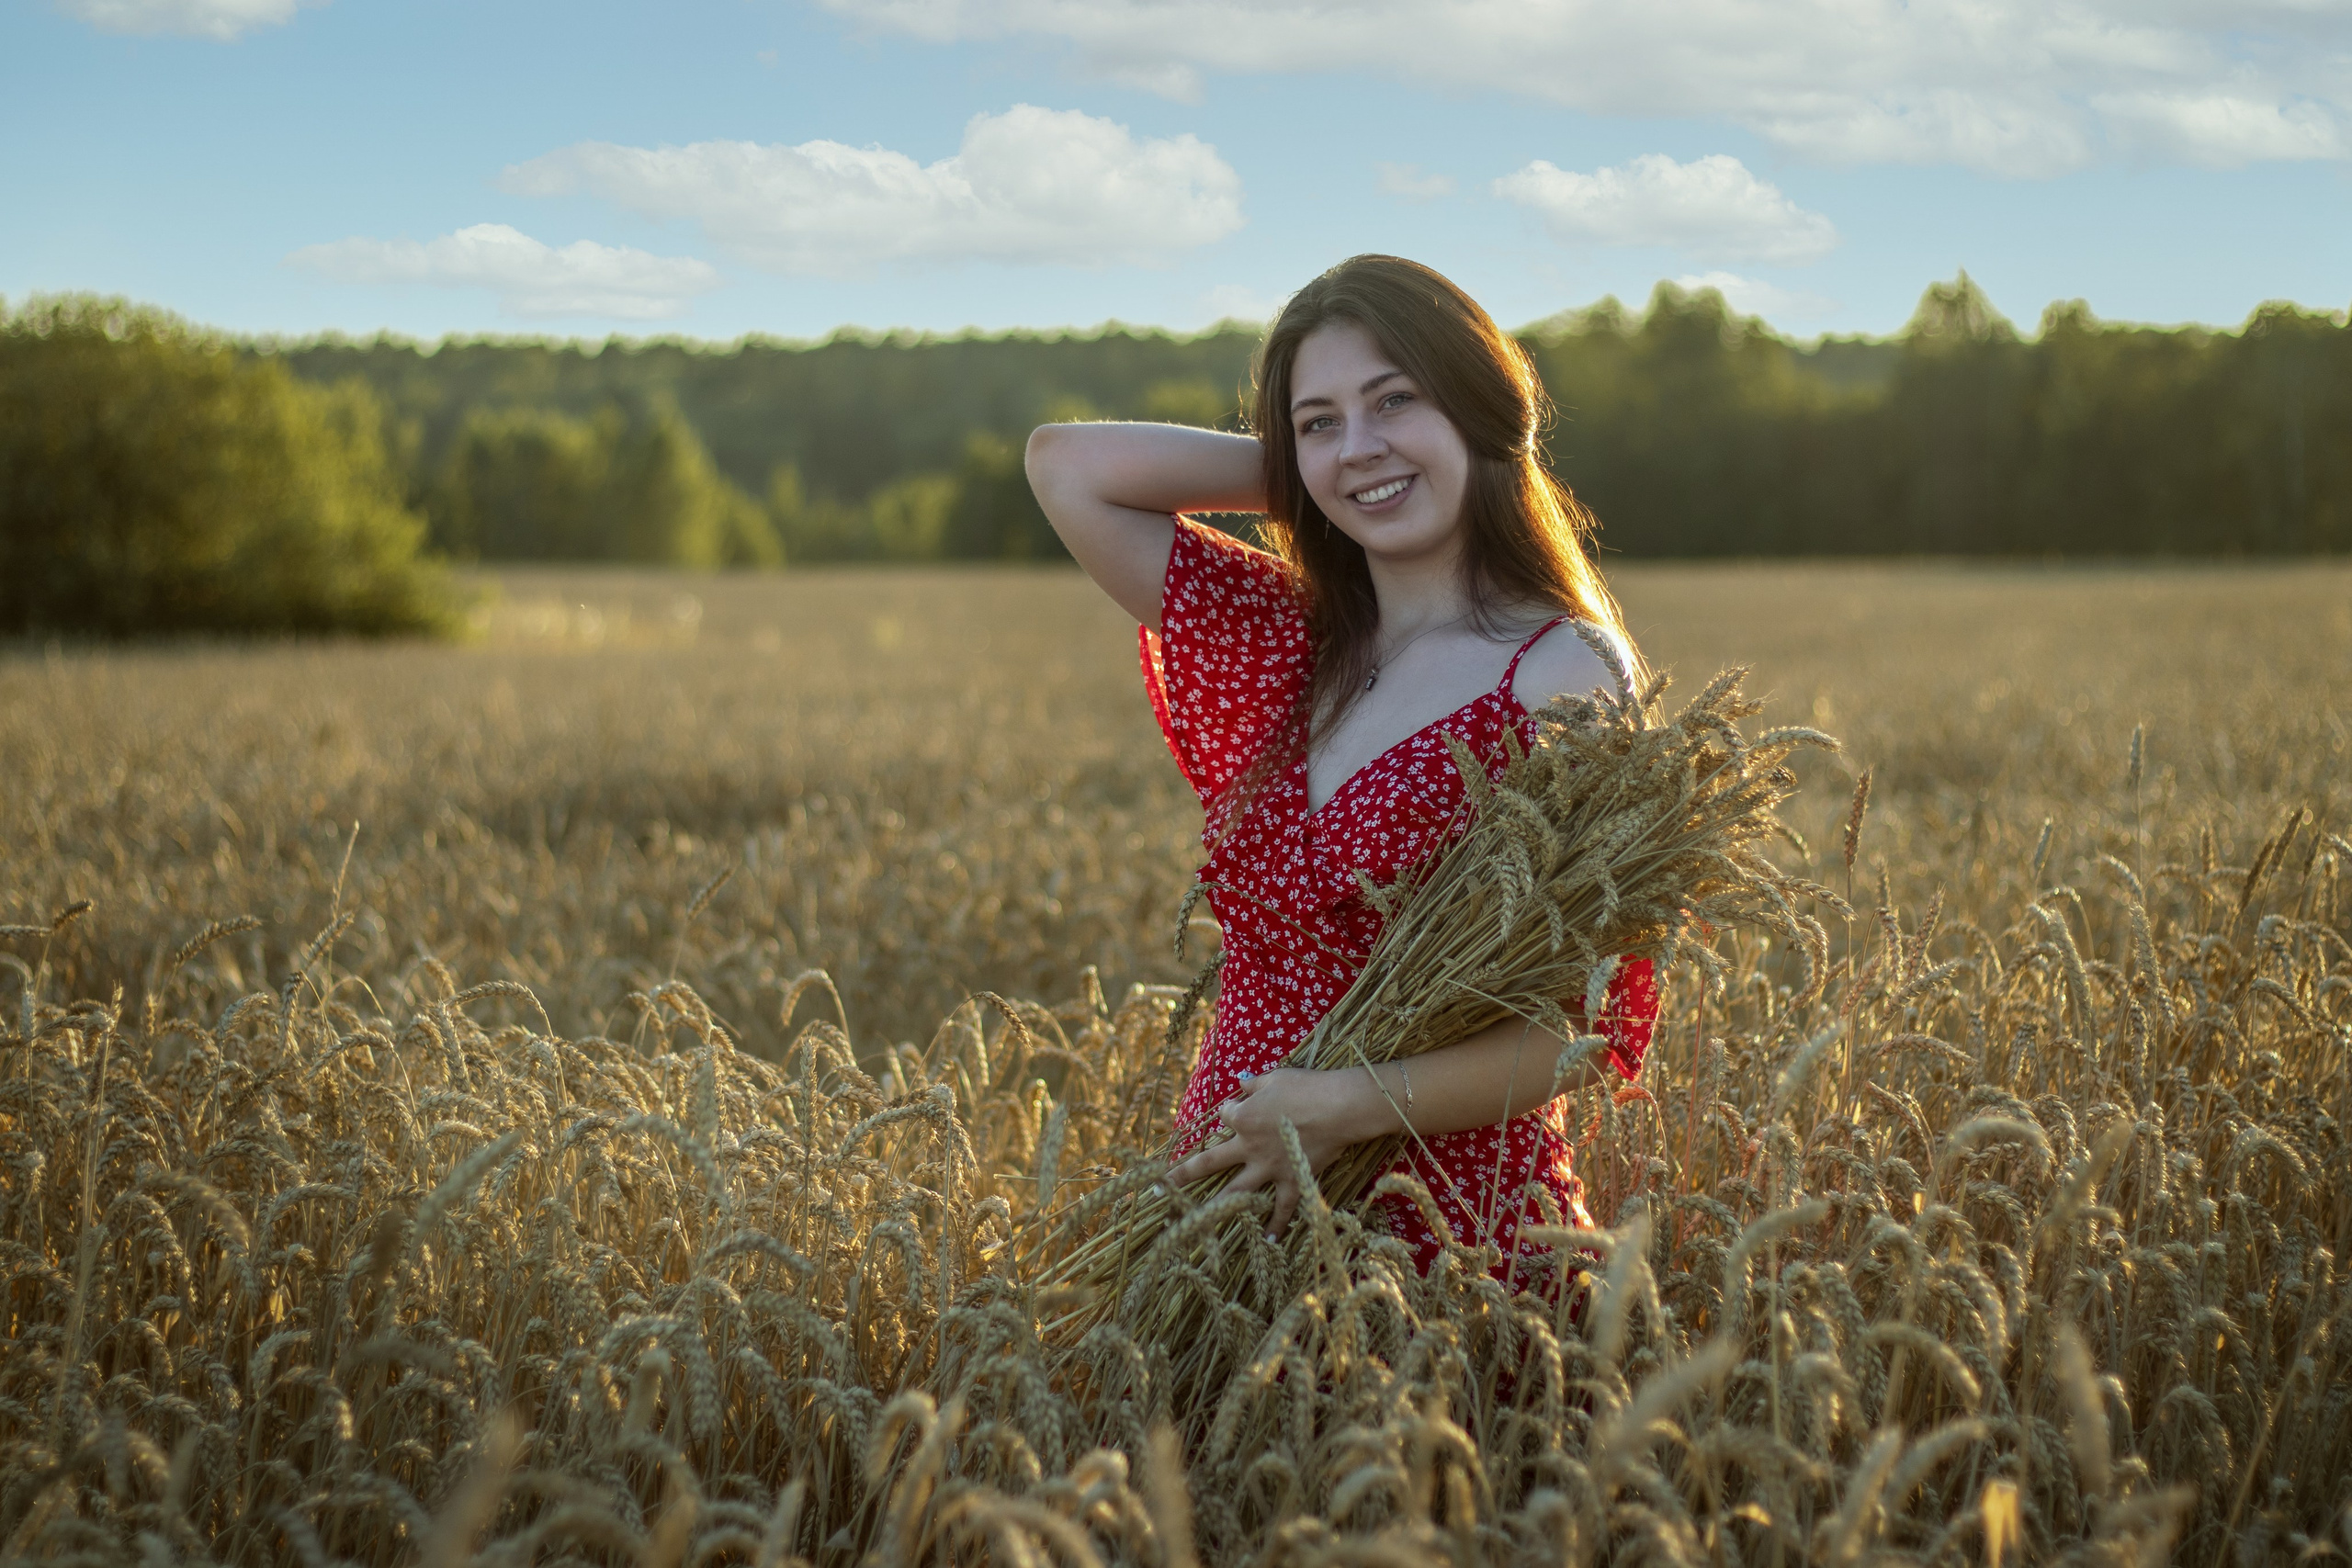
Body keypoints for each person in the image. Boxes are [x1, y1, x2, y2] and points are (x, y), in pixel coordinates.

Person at [1024, 254, 1657, 1285]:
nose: (1356, 441)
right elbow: (1066, 465)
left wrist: (1345, 1107)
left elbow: (1592, 1027)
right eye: (1317, 419)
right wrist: (1344, 471)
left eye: (1395, 399)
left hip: (1444, 1250)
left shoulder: (1556, 672)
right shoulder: (1284, 640)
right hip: (1222, 1238)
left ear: (1480, 405)